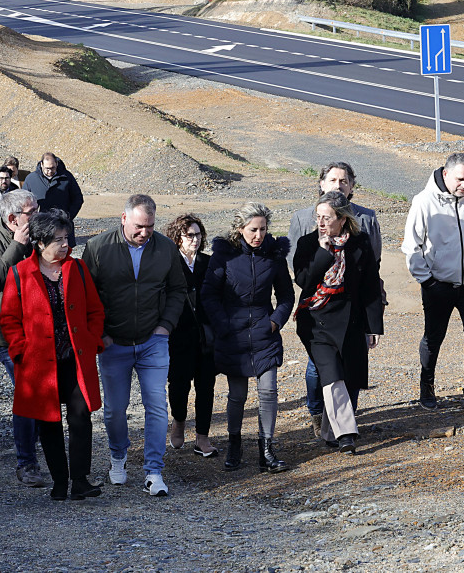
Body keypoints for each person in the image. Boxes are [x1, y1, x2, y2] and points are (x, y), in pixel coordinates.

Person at [81, 194, 185, 497]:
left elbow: (178, 289)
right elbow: (87, 295)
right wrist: (100, 334)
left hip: (154, 341)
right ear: (123, 218)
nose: (145, 232)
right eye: (139, 226)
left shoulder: (165, 248)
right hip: (114, 343)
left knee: (156, 406)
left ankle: (154, 471)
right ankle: (118, 456)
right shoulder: (99, 248)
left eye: (150, 226)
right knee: (114, 410)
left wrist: (166, 326)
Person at [0, 209, 106, 501]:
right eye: (57, 240)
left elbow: (95, 310)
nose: (65, 244)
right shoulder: (20, 273)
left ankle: (80, 480)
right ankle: (60, 482)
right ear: (39, 243)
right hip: (38, 363)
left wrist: (93, 339)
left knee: (81, 416)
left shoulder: (79, 268)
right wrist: (19, 351)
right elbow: (8, 318)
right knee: (48, 421)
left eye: (66, 238)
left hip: (75, 357)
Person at [288, 161, 383, 438]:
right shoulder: (307, 234)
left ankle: (341, 429)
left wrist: (373, 324)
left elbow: (370, 280)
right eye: (332, 180)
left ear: (343, 218)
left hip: (351, 315)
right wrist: (323, 251)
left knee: (350, 369)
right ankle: (319, 414)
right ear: (321, 184)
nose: (321, 222)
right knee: (323, 371)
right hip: (317, 316)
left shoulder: (361, 236)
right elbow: (302, 277)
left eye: (344, 180)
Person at [201, 202, 294, 473]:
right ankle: (234, 444)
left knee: (268, 392)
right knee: (237, 395)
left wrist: (276, 322)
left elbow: (286, 295)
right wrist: (223, 324)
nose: (259, 235)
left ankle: (266, 450)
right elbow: (208, 294)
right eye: (253, 229)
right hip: (234, 335)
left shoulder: (274, 255)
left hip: (265, 334)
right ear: (240, 228)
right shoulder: (224, 255)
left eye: (263, 229)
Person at [401, 153, 464, 411]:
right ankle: (427, 386)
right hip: (438, 284)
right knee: (434, 337)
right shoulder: (424, 202)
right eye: (460, 179)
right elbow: (412, 246)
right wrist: (428, 281)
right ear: (445, 174)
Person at [0, 189, 45, 487]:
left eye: (38, 208)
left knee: (43, 397)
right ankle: (26, 463)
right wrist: (17, 246)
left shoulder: (42, 236)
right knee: (28, 397)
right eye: (32, 212)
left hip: (43, 334)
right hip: (10, 338)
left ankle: (39, 451)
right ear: (13, 218)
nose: (38, 215)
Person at [163, 214, 217, 457]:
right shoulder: (169, 264)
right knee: (179, 384)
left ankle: (202, 438)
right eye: (189, 235)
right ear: (178, 238)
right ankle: (179, 421)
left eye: (198, 234)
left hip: (206, 336)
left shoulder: (210, 262)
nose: (195, 239)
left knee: (206, 386)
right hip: (179, 336)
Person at [23, 152, 84, 247]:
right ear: (41, 165)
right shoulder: (31, 179)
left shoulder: (67, 177)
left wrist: (69, 216)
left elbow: (78, 198)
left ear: (57, 164)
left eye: (53, 168)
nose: (50, 171)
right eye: (47, 168)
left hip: (63, 225)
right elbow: (24, 202)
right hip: (41, 227)